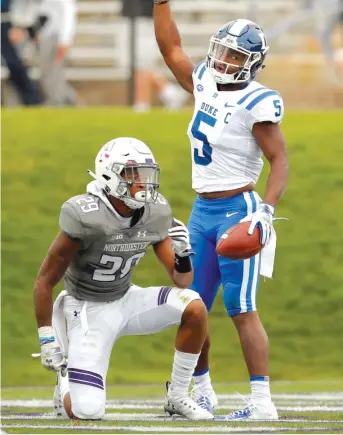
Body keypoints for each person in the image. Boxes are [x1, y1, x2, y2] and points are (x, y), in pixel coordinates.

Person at [154, 1, 289, 421]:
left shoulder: (258, 101)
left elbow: (279, 160)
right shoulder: (204, 81)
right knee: (192, 304)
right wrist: (160, 4)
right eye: (222, 51)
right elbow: (171, 48)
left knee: (241, 307)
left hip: (238, 209)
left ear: (252, 64)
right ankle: (203, 391)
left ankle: (262, 401)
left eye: (235, 56)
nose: (224, 60)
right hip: (201, 210)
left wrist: (266, 210)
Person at [33, 137, 214, 421]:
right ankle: (66, 381)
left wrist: (183, 255)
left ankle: (178, 395)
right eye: (133, 175)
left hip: (126, 298)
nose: (143, 183)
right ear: (109, 174)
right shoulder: (85, 215)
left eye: (145, 174)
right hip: (86, 309)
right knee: (87, 412)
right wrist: (46, 339)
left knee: (194, 306)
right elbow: (44, 281)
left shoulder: (154, 212)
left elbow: (182, 281)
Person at [119, 0, 187, 111]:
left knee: (141, 63)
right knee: (135, 64)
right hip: (131, 17)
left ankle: (143, 102)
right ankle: (170, 92)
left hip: (144, 18)